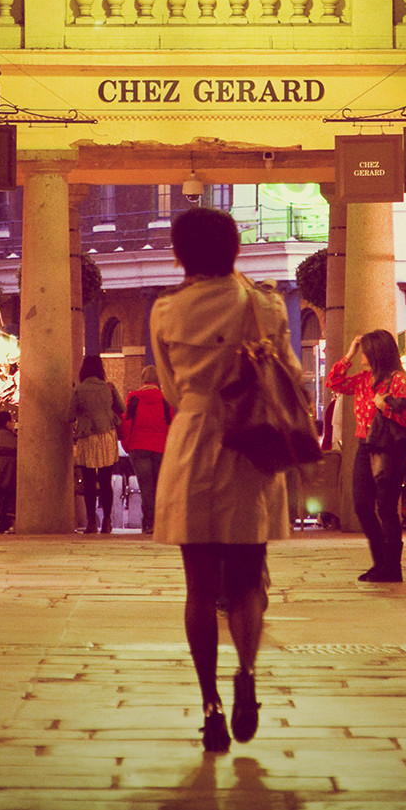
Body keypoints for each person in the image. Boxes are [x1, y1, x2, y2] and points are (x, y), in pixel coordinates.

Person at [152, 206, 304, 752]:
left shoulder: (166, 311)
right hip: (251, 446)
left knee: (198, 588)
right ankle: (246, 673)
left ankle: (209, 704)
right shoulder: (263, 303)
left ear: (179, 253)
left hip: (193, 444)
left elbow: (170, 388)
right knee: (247, 576)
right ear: (236, 249)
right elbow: (291, 370)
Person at [327, 331, 406, 584]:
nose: (363, 355)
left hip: (388, 450)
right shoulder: (363, 380)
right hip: (364, 446)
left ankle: (392, 567)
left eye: (365, 350)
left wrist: (385, 407)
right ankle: (381, 563)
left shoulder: (397, 380)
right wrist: (349, 354)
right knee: (362, 506)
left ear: (378, 353)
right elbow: (334, 383)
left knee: (387, 508)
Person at [68, 355, 125, 534]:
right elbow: (122, 409)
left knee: (89, 481)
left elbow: (69, 416)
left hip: (87, 437)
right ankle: (107, 521)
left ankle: (91, 521)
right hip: (107, 435)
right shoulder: (109, 387)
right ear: (101, 369)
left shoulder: (79, 390)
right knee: (106, 481)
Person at [120, 365, 173, 534]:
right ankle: (158, 524)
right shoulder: (166, 399)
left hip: (139, 447)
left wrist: (127, 445)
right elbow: (171, 425)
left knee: (145, 487)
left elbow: (126, 424)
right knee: (158, 487)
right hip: (160, 448)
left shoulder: (134, 398)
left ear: (143, 380)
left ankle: (148, 523)